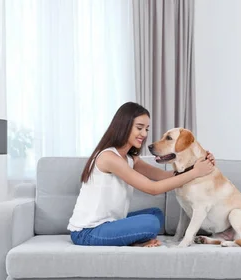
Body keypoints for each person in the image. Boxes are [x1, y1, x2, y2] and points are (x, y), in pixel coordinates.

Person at [68, 101, 216, 248]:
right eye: (139, 128)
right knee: (151, 223)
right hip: (87, 232)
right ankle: (134, 239)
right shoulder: (109, 158)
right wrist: (196, 173)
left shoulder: (130, 159)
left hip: (110, 223)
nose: (144, 134)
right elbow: (153, 188)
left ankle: (133, 239)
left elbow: (163, 176)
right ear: (124, 126)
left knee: (155, 214)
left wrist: (197, 166)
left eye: (147, 129)